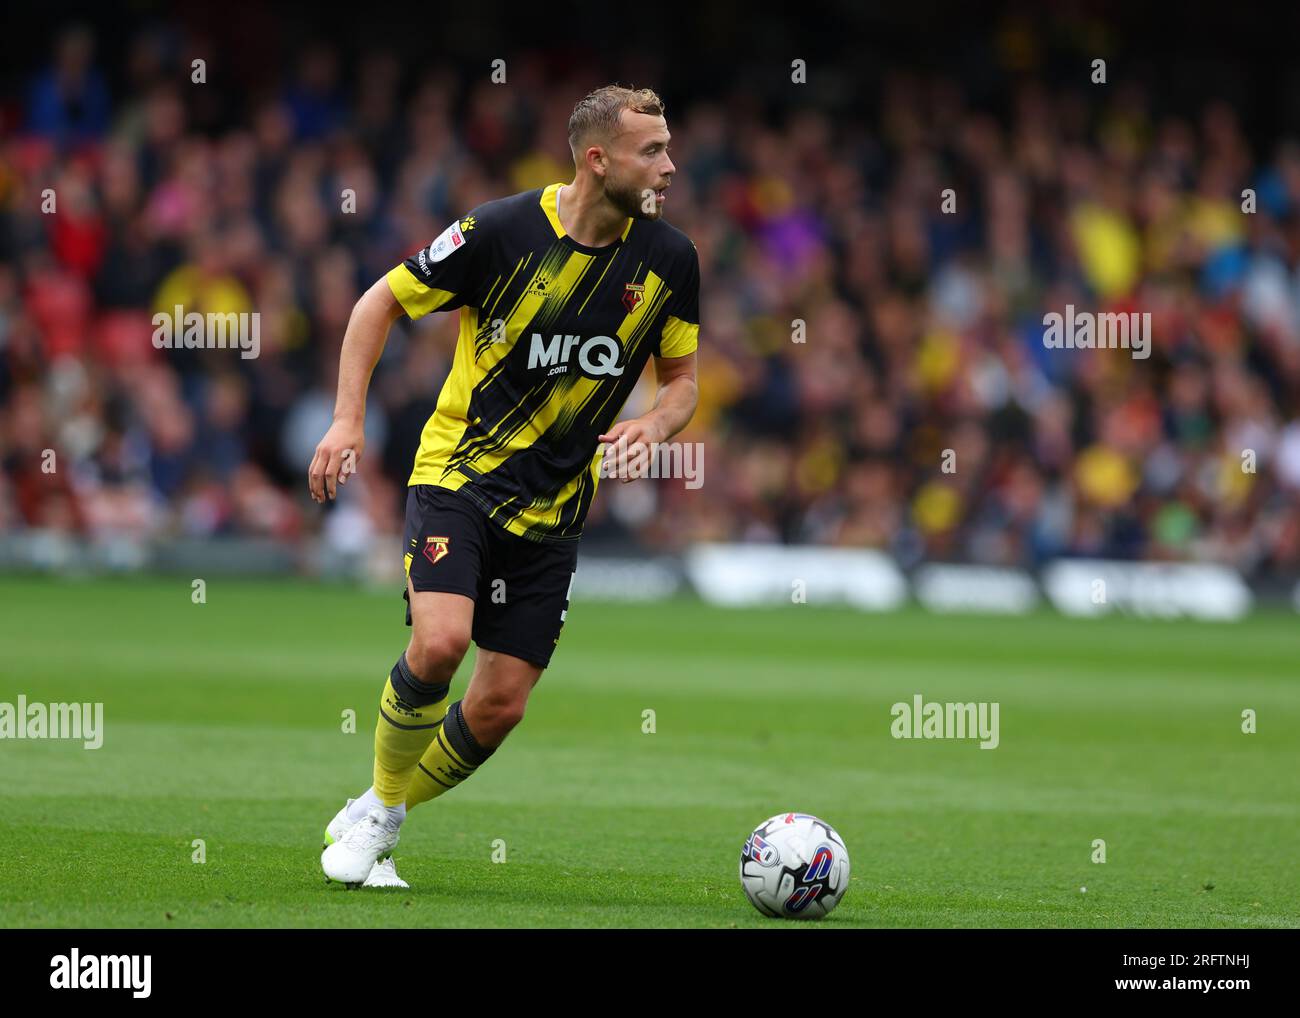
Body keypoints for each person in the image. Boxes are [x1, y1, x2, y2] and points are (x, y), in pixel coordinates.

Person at [308, 84, 700, 887]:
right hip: (462, 474)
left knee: (500, 706)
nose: (669, 166)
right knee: (441, 641)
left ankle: (383, 806)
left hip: (555, 510)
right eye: (652, 152)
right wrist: (348, 421)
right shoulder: (501, 231)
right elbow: (376, 304)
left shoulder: (669, 260)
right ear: (598, 160)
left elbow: (684, 379)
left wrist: (656, 425)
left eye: (667, 148)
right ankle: (380, 816)